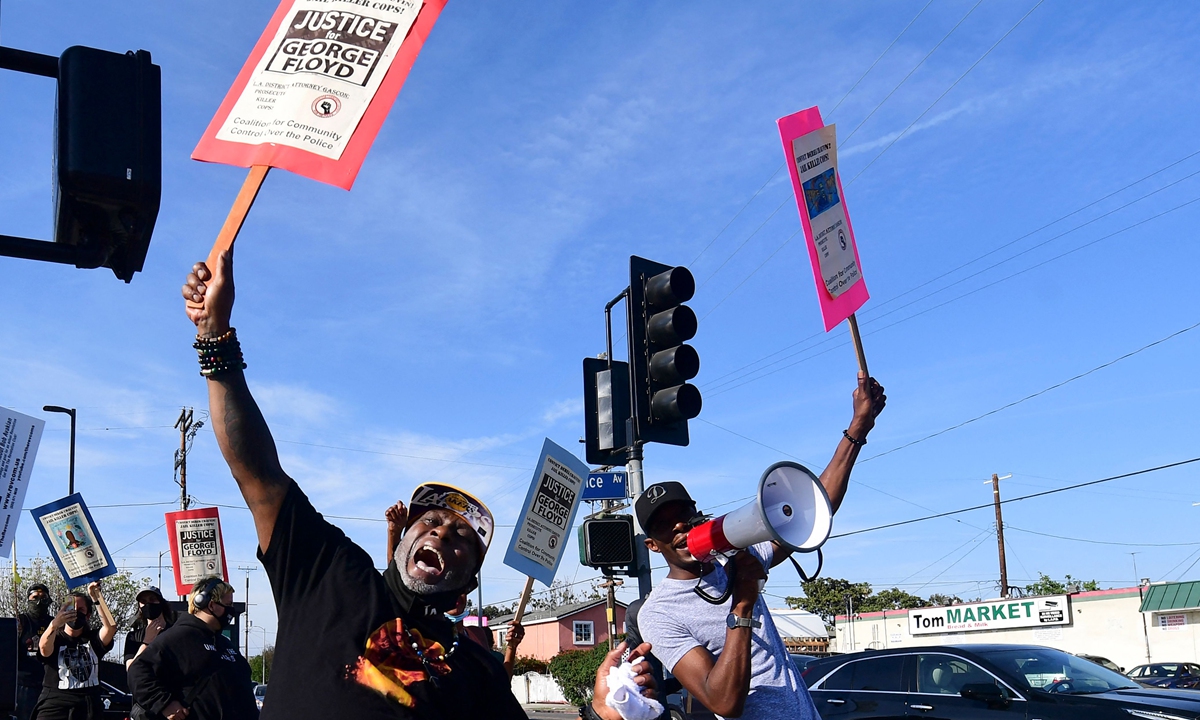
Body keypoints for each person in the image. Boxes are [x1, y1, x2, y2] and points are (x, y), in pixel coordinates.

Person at [180, 250, 656, 720]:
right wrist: (215, 338)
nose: (443, 533)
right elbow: (258, 474)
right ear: (404, 536)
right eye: (430, 521)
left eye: (463, 538)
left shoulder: (475, 671)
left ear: (469, 582)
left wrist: (602, 713)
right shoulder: (331, 574)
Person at [635, 374, 886, 720]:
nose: (679, 527)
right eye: (665, 526)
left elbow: (814, 505)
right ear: (653, 545)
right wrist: (742, 602)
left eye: (685, 516)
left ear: (699, 516)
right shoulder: (659, 613)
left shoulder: (738, 558)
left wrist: (857, 428)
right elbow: (722, 701)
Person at [128, 576, 257, 720]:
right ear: (211, 605)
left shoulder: (224, 643)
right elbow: (138, 671)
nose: (231, 610)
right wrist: (164, 704)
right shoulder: (179, 636)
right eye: (228, 604)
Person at [33, 583, 117, 720]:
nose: (75, 612)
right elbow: (44, 649)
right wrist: (55, 624)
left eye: (81, 609)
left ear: (88, 615)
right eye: (71, 609)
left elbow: (111, 627)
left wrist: (96, 596)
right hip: (55, 706)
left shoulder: (93, 640)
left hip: (88, 708)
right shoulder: (55, 637)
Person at [17, 584, 54, 720]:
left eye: (43, 598)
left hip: (48, 685)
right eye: (35, 597)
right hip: (25, 684)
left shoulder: (54, 623)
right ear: (28, 599)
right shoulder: (20, 621)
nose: (39, 601)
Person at [125, 586, 178, 669]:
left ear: (161, 603)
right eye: (143, 601)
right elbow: (130, 668)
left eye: (152, 599)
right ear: (140, 608)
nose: (148, 604)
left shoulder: (176, 633)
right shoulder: (133, 637)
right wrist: (146, 642)